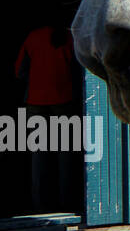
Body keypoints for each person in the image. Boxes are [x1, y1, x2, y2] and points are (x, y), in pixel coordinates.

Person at [14, 21, 82, 212]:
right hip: (64, 100)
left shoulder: (32, 37)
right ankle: (67, 203)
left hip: (36, 102)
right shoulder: (70, 37)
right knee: (66, 153)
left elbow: (19, 72)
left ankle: (40, 206)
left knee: (39, 154)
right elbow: (80, 71)